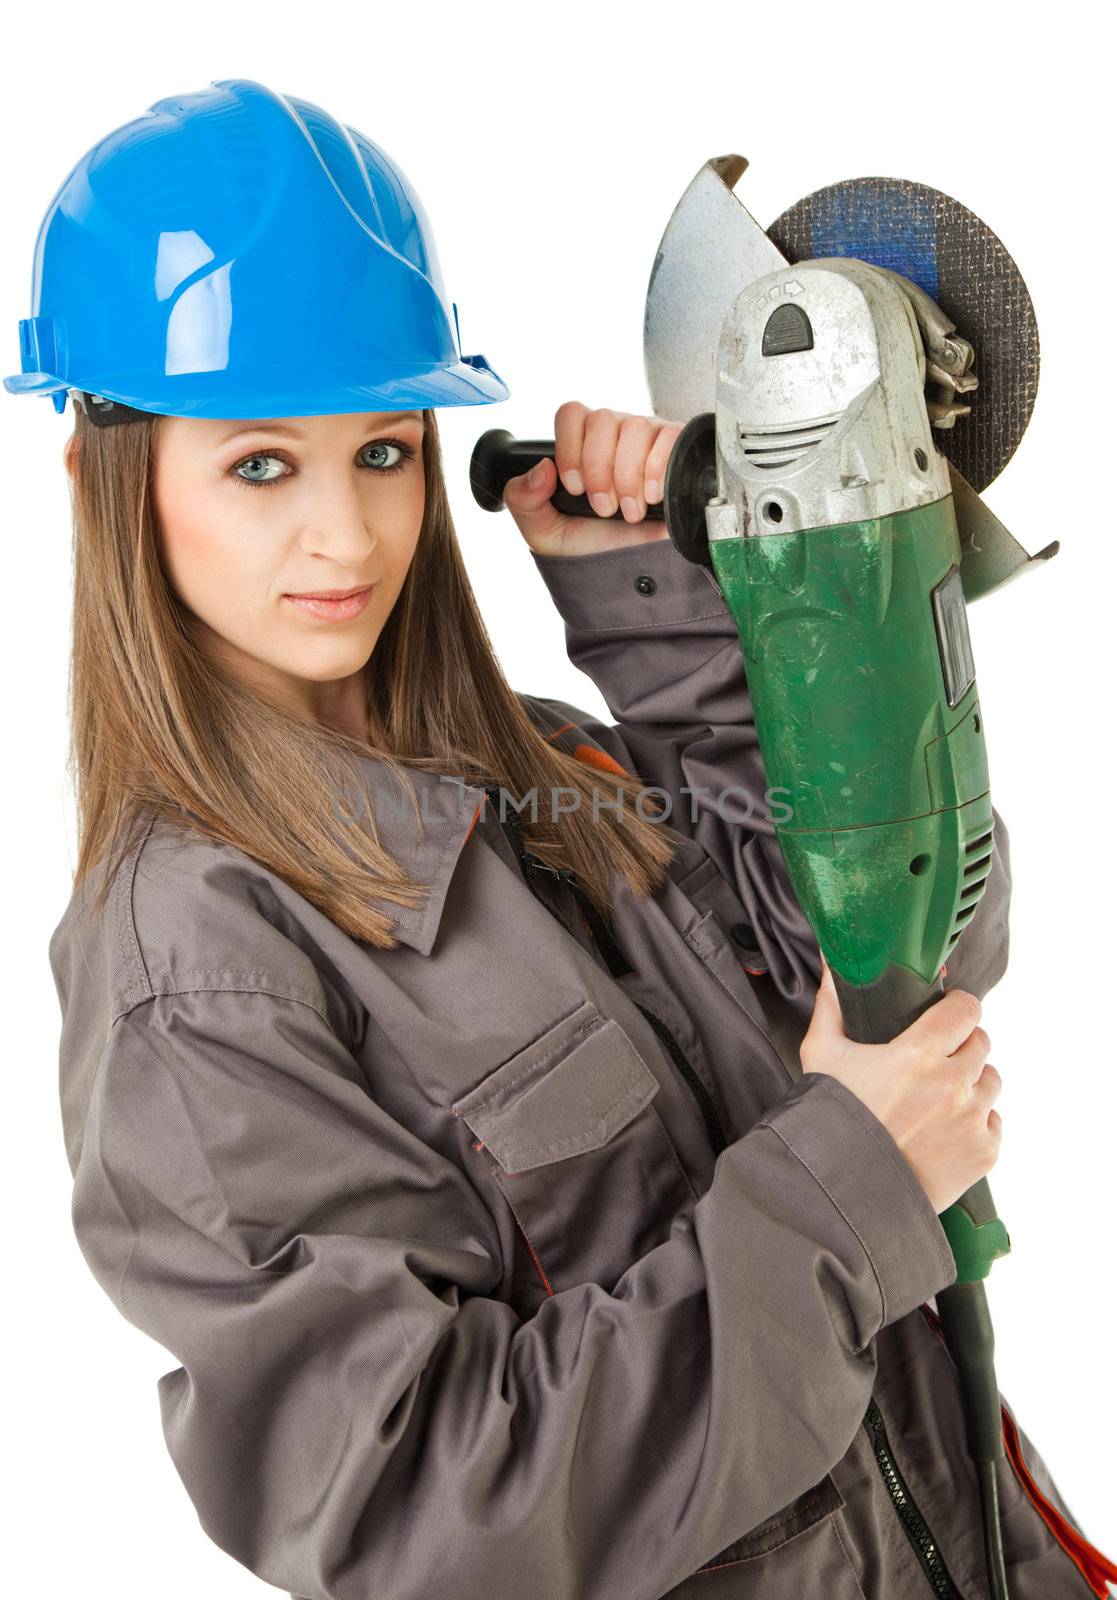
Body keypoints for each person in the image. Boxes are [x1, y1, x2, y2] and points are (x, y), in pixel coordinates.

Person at [12, 77, 1110, 1600]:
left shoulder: (542, 768)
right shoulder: (197, 971)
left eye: (384, 451)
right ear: (103, 480)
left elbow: (898, 968)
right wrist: (847, 1182)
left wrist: (669, 621)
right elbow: (435, 1517)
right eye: (261, 463)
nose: (344, 535)